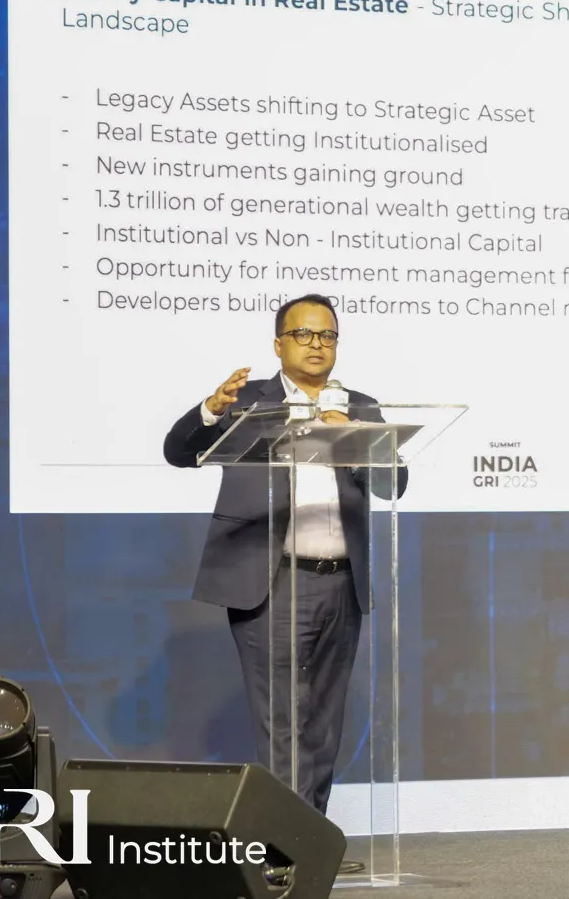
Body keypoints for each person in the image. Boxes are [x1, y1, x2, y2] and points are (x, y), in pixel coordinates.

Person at [163, 292, 407, 814]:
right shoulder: (248, 402)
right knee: (282, 722)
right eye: (303, 333)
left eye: (327, 335)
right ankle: (287, 838)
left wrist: (355, 438)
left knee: (324, 722)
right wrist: (210, 409)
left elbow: (395, 485)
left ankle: (308, 832)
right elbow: (178, 452)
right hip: (272, 581)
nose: (317, 344)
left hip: (341, 583)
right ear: (279, 345)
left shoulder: (359, 406)